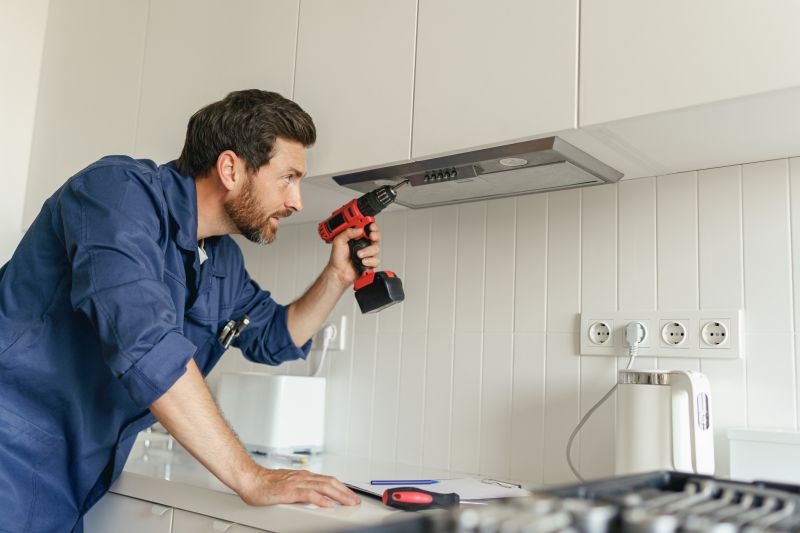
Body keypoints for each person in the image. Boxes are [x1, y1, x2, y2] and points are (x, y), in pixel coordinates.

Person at [0, 89, 371, 532]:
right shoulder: (116, 194)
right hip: (12, 453)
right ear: (231, 168)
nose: (297, 202)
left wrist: (338, 277)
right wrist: (249, 476)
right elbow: (145, 342)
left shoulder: (220, 260)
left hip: (72, 478)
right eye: (288, 178)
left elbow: (276, 336)